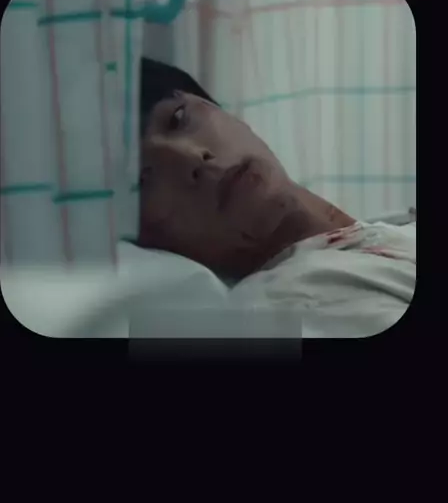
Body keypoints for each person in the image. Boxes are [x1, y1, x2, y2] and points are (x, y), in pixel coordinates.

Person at [137, 58, 416, 336]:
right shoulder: (291, 303)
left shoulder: (378, 236)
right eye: (142, 180)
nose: (193, 158)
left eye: (177, 119)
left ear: (223, 112)